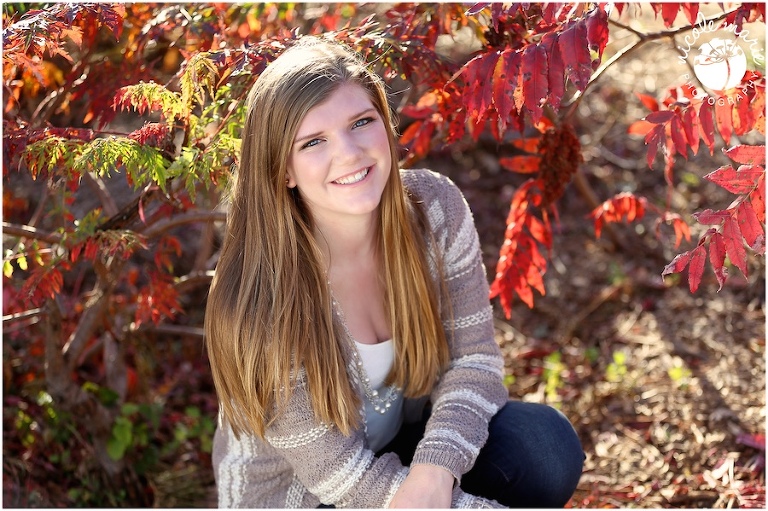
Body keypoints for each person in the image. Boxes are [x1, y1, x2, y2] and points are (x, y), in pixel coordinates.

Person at [204, 36, 584, 509]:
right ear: (284, 171)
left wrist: (435, 471)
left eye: (361, 123)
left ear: (386, 126)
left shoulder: (433, 210)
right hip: (305, 495)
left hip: (401, 453)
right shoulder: (258, 298)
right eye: (314, 141)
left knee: (543, 447)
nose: (349, 153)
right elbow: (341, 478)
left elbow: (473, 363)